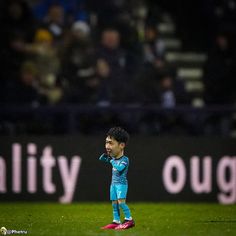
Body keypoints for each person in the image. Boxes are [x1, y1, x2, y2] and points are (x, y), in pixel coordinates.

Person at [99, 127, 135, 230]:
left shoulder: (125, 160)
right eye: (106, 143)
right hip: (113, 184)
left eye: (110, 143)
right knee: (114, 203)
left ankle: (129, 220)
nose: (107, 146)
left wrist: (111, 161)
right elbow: (103, 159)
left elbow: (119, 168)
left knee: (121, 202)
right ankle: (116, 221)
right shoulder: (114, 158)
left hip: (121, 184)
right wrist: (105, 158)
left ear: (121, 145)